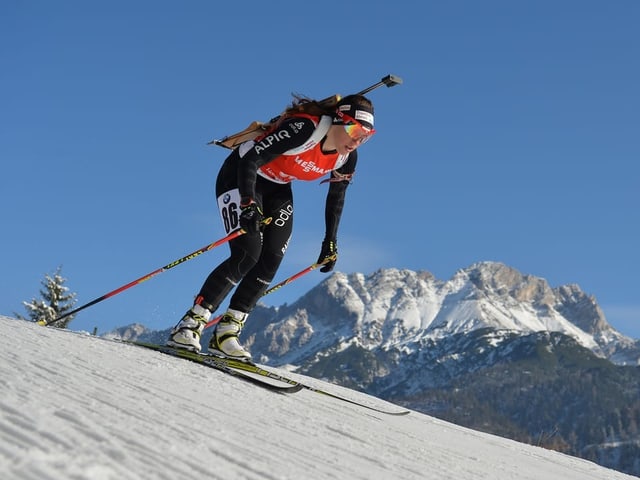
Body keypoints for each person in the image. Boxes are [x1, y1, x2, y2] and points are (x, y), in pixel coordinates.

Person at [166, 94, 376, 361]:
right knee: (247, 253)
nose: (357, 140)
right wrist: (248, 203)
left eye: (366, 135)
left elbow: (337, 197)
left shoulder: (347, 158)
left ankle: (226, 333)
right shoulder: (304, 129)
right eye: (354, 130)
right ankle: (189, 325)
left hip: (278, 187)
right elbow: (250, 160)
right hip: (242, 176)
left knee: (272, 258)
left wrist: (330, 241)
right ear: (338, 120)